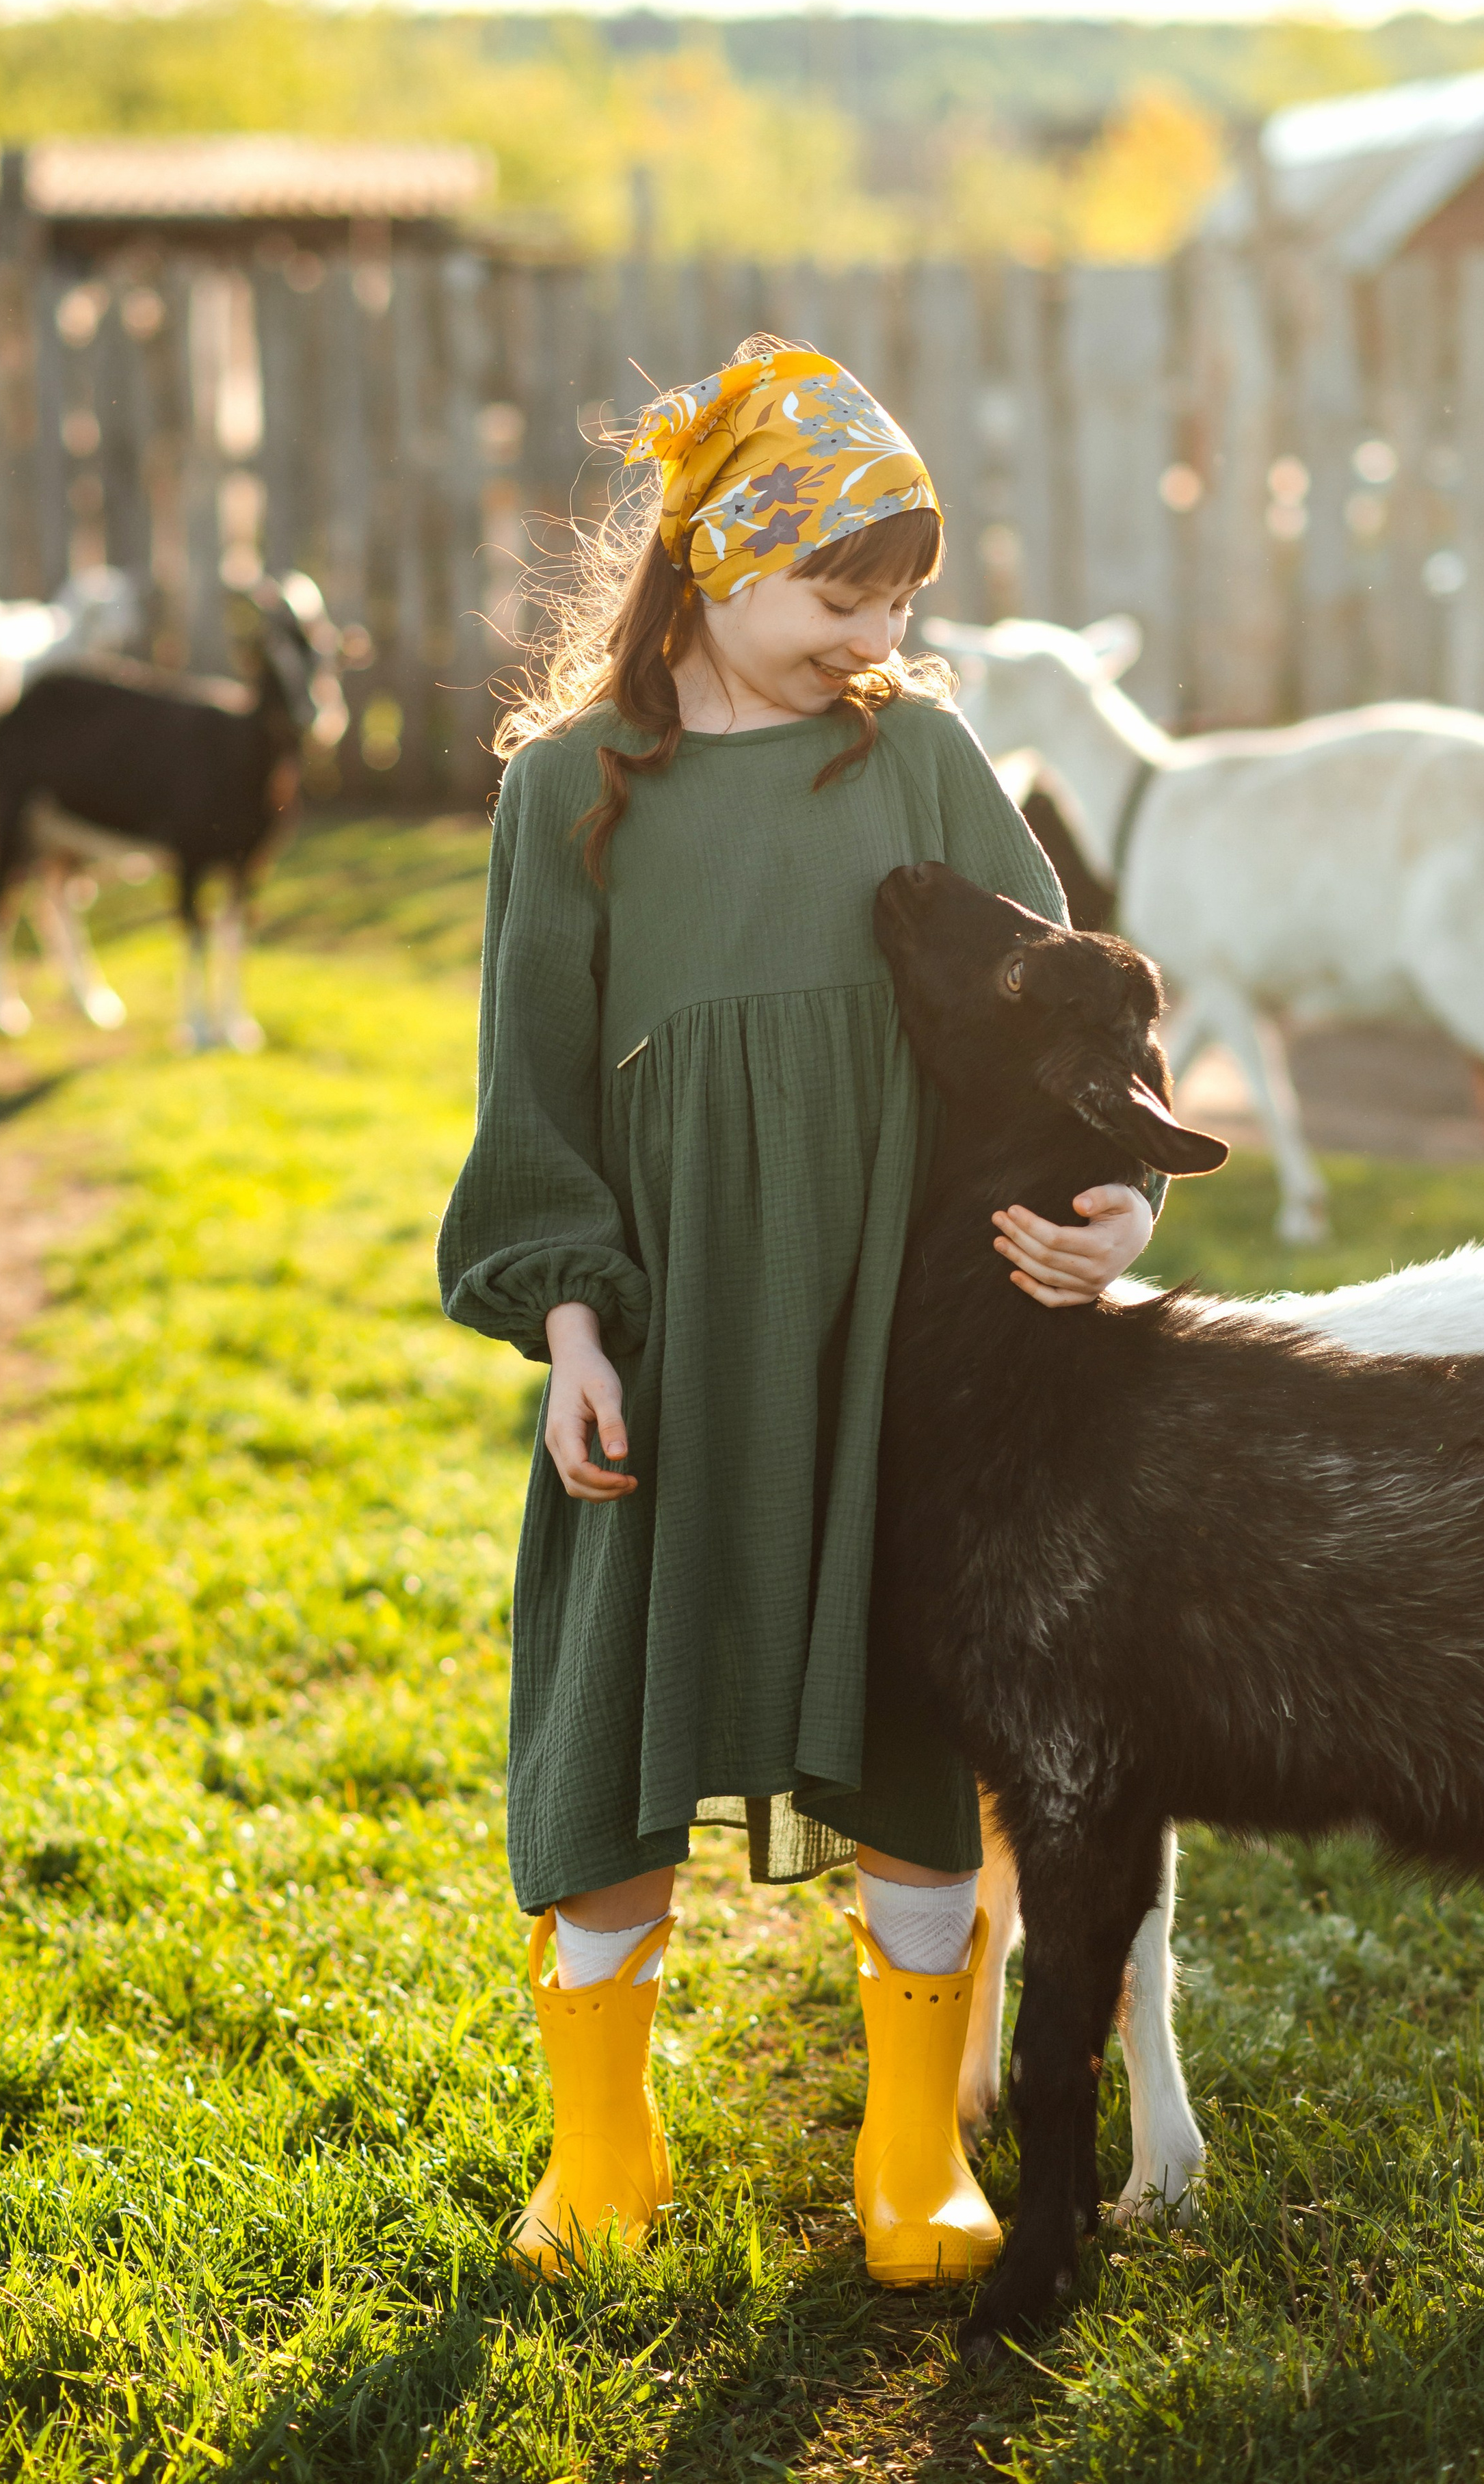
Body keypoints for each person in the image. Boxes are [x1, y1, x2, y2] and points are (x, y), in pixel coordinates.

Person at [438, 336, 1157, 2284]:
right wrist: (575, 1325)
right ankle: (604, 2148)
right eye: (844, 592)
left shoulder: (915, 756)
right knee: (614, 1746)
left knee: (914, 1735)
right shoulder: (572, 792)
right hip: (668, 1350)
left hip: (897, 1348)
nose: (881, 632)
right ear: (718, 557)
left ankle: (915, 2153)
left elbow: (1057, 1018)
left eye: (904, 597)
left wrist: (1103, 1205)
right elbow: (532, 1106)